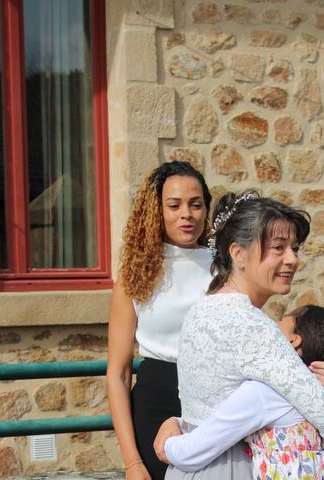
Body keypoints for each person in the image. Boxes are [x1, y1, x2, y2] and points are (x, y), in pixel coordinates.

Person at [166, 191, 324, 480]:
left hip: (188, 464)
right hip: (230, 466)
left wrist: (174, 427)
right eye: (278, 248)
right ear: (238, 253)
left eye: (295, 248)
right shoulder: (251, 325)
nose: (292, 259)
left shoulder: (201, 309)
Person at [153, 305, 324, 480]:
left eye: (281, 321)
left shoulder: (266, 393)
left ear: (294, 341)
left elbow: (197, 450)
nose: (273, 325)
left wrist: (168, 445)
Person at [106, 161, 214, 480]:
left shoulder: (225, 265)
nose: (187, 214)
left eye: (196, 204)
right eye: (174, 205)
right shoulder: (135, 275)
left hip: (214, 403)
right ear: (157, 210)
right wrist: (131, 462)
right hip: (155, 403)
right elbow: (118, 373)